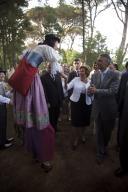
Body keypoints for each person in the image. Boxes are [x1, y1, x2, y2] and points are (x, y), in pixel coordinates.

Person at [10, 34, 62, 172]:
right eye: (57, 43)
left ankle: (36, 153)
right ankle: (44, 159)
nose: (58, 46)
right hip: (32, 84)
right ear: (53, 42)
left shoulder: (32, 48)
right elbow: (56, 60)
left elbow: (22, 60)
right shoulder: (45, 48)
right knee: (42, 125)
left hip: (23, 87)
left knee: (31, 124)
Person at [88, 53, 119, 164]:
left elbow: (113, 91)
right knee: (99, 132)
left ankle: (104, 146)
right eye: (97, 61)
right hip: (97, 108)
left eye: (100, 61)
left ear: (107, 62)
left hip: (109, 109)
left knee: (107, 132)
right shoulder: (94, 75)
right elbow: (91, 88)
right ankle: (100, 152)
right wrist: (89, 92)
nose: (98, 62)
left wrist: (96, 91)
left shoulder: (115, 75)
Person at [66, 66, 93, 150]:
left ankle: (83, 135)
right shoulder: (75, 79)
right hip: (75, 103)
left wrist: (91, 93)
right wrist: (63, 81)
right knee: (75, 122)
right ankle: (77, 137)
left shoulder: (90, 82)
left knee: (85, 121)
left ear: (86, 73)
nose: (81, 73)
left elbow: (92, 94)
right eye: (80, 71)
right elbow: (68, 87)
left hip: (86, 103)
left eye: (83, 71)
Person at [41, 63, 64, 132]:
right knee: (51, 116)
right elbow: (43, 91)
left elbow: (60, 88)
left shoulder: (57, 76)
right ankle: (51, 130)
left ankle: (55, 127)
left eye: (52, 67)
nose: (50, 69)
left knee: (57, 114)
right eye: (49, 67)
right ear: (47, 67)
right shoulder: (43, 77)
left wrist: (62, 98)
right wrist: (47, 101)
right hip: (50, 101)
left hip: (58, 100)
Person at [114, 65, 128, 177]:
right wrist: (118, 110)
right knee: (124, 142)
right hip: (126, 116)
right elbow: (121, 95)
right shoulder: (125, 75)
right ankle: (124, 167)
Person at [0, 68, 13, 149]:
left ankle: (4, 140)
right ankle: (1, 144)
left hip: (2, 106)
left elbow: (5, 94)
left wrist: (12, 91)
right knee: (1, 125)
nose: (3, 75)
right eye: (1, 74)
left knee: (3, 124)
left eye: (3, 74)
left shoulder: (2, 84)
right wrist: (9, 101)